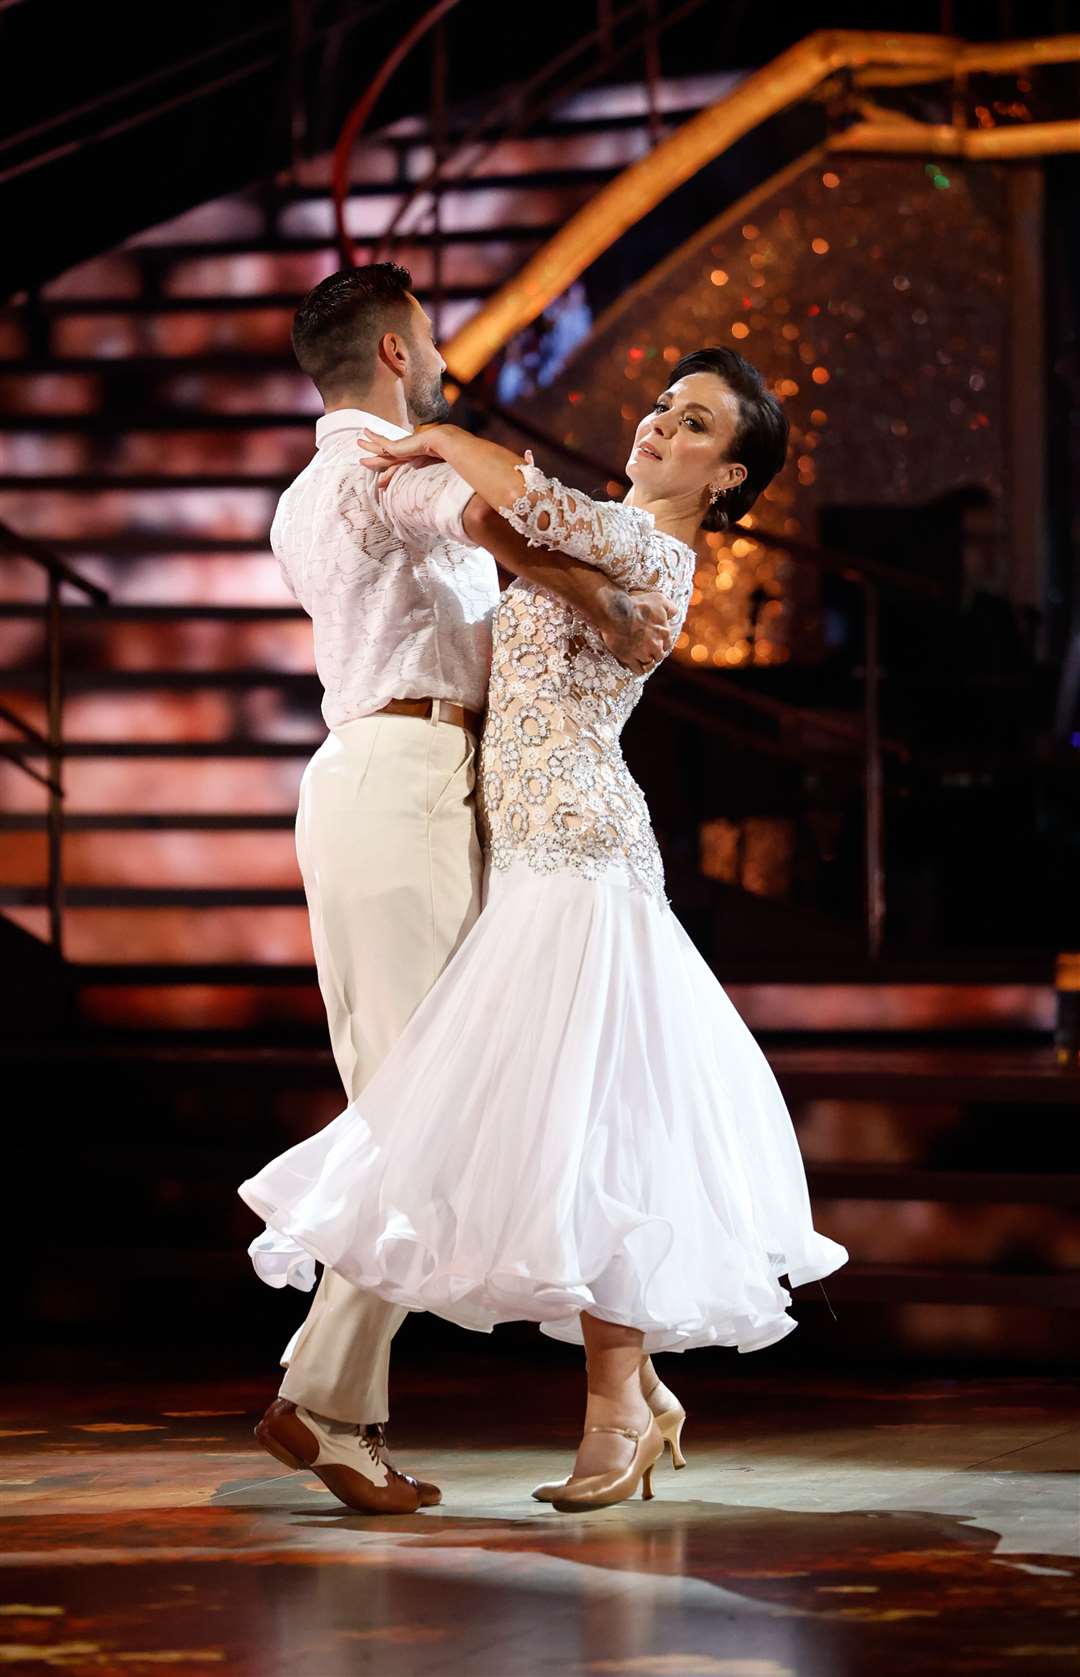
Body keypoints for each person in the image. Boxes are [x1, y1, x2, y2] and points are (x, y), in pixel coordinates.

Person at [242, 346, 848, 1514]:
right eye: (666, 405)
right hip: (515, 851)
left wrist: (432, 437)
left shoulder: (657, 550)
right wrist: (512, 535)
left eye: (699, 425)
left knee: (590, 1123)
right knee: (563, 1129)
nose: (663, 426)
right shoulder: (594, 542)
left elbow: (529, 502)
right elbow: (522, 533)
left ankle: (617, 1406)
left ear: (729, 476)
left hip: (578, 853)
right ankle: (634, 1398)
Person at [252, 263, 678, 1516]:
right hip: (410, 779)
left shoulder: (296, 494)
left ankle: (334, 1405)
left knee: (423, 1105)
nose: (439, 362)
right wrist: (605, 592)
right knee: (425, 1113)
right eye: (429, 344)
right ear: (394, 352)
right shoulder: (390, 470)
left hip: (369, 780)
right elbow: (496, 522)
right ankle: (324, 1405)